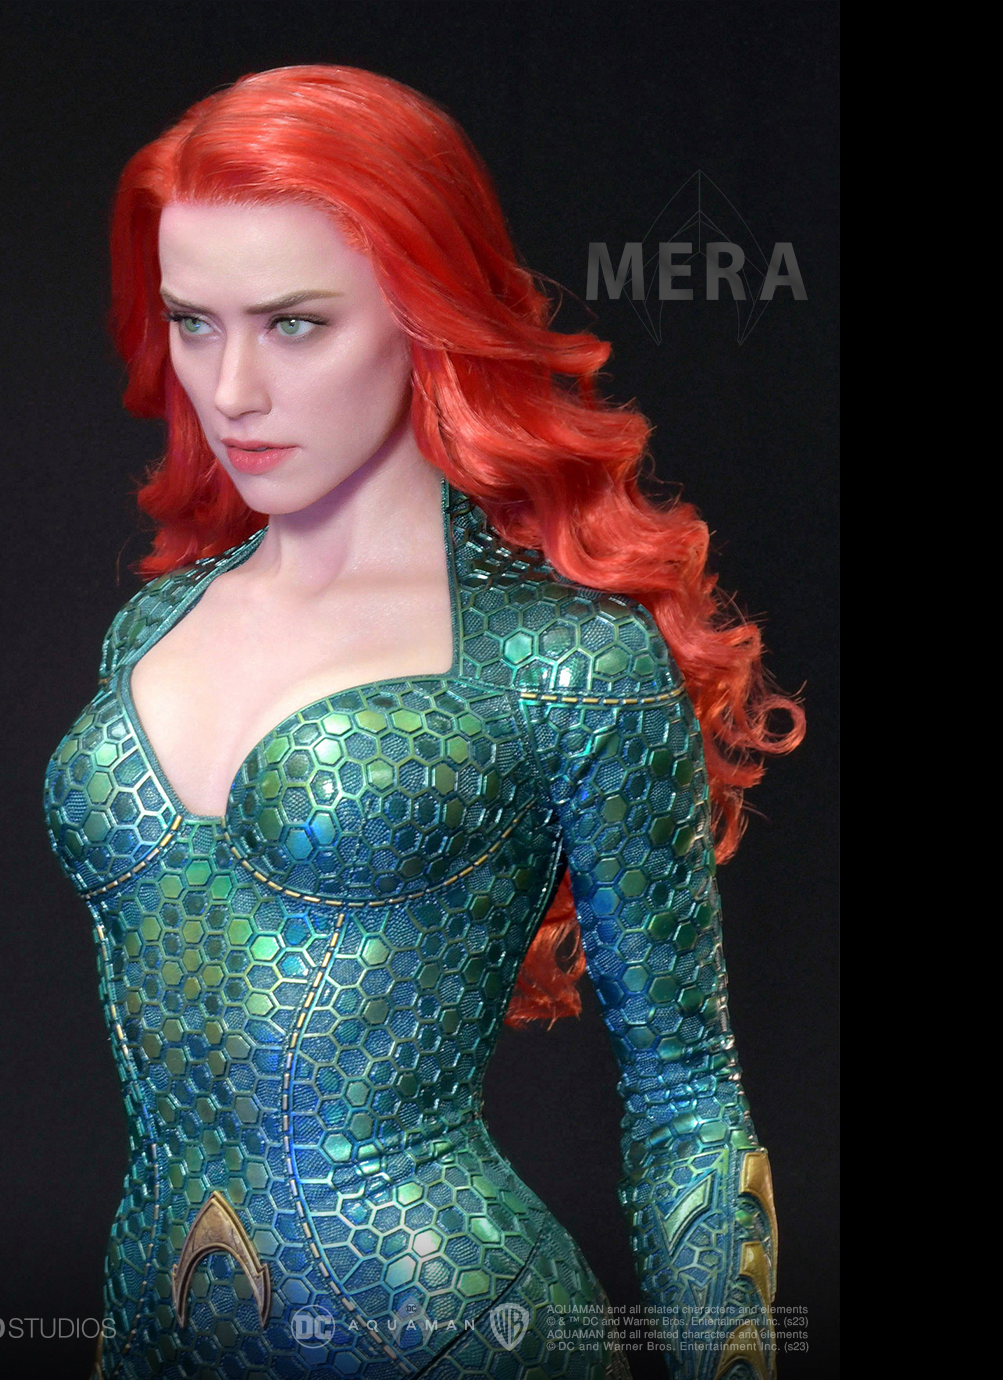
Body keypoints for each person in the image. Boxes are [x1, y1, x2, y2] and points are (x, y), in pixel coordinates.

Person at [44, 64, 803, 1380]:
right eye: (192, 322)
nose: (230, 389)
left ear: (425, 315)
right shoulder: (153, 628)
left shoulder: (569, 662)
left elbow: (685, 1089)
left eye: (294, 324)